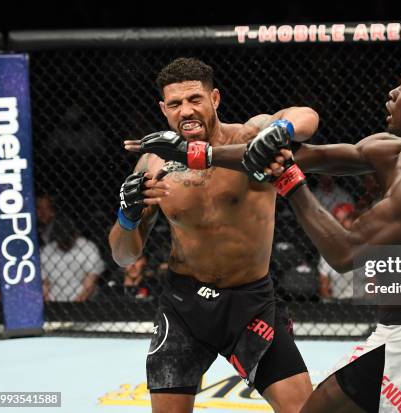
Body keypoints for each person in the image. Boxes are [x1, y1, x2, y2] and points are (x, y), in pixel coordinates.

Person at [130, 59, 401, 413]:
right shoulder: (392, 150)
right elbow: (302, 154)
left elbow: (344, 254)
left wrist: (290, 183)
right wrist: (198, 154)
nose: (392, 94)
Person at [112, 57, 319, 413]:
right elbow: (124, 256)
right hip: (184, 307)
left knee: (304, 409)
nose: (186, 110)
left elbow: (307, 116)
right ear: (163, 109)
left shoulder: (250, 138)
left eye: (195, 99)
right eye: (175, 104)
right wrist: (127, 217)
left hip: (250, 305)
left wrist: (279, 132)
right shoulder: (153, 164)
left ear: (215, 99)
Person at [41, 214, 105, 302]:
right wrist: (49, 305)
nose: (65, 242)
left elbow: (89, 285)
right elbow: (45, 284)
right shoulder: (46, 252)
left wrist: (74, 306)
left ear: (75, 234)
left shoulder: (88, 248)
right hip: (53, 301)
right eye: (62, 239)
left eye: (68, 238)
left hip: (82, 301)